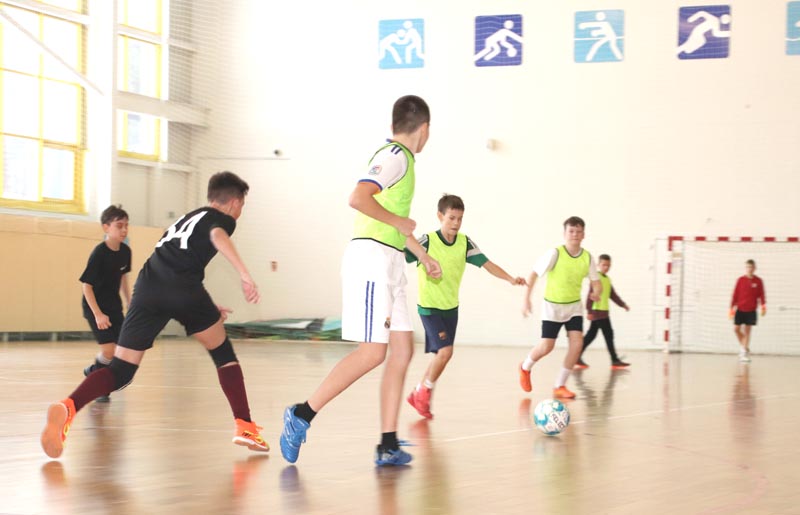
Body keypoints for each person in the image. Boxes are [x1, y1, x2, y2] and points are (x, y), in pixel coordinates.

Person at [41, 171, 268, 458]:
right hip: (183, 287)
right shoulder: (222, 220)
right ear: (234, 202)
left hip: (148, 288)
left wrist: (206, 308)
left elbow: (176, 260)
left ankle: (69, 406)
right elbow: (216, 236)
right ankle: (245, 426)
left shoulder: (186, 219)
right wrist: (244, 274)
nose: (240, 212)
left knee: (120, 370)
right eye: (242, 205)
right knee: (223, 353)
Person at [279, 95, 441, 467]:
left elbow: (392, 223)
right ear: (425, 129)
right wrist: (400, 223)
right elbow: (358, 198)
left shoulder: (402, 159)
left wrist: (423, 255)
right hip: (372, 262)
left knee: (402, 350)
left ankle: (388, 444)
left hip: (391, 260)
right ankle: (302, 414)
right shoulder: (395, 156)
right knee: (372, 353)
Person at [406, 194, 526, 419]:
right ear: (440, 216)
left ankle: (417, 393)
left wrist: (510, 278)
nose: (456, 223)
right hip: (430, 308)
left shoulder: (465, 243)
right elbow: (402, 253)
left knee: (442, 355)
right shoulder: (427, 241)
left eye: (460, 218)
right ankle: (425, 392)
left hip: (451, 308)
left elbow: (487, 264)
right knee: (445, 352)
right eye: (451, 218)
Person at [519, 216, 601, 399]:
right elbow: (533, 274)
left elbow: (596, 282)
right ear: (564, 234)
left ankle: (560, 385)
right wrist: (526, 299)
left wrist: (597, 292)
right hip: (552, 307)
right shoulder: (555, 254)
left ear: (583, 235)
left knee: (577, 344)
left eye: (578, 231)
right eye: (571, 231)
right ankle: (525, 367)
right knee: (547, 346)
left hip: (574, 308)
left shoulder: (587, 257)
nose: (575, 234)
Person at [79, 205, 132, 402]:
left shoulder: (126, 251)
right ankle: (100, 387)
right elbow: (87, 286)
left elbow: (123, 278)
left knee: (121, 351)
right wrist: (98, 314)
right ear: (106, 227)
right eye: (119, 225)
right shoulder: (99, 253)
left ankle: (94, 371)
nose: (124, 230)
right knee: (109, 351)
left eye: (126, 225)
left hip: (114, 306)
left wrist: (129, 301)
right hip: (95, 307)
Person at [575, 254, 630, 369]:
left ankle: (576, 357)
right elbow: (590, 295)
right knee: (608, 334)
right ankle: (614, 360)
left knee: (591, 335)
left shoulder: (607, 279)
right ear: (598, 265)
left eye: (608, 265)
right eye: (604, 265)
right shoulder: (596, 278)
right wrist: (589, 311)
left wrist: (623, 304)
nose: (606, 267)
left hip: (604, 312)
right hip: (597, 312)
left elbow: (613, 295)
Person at [729, 259, 766, 362]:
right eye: (748, 267)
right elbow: (735, 294)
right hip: (740, 309)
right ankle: (745, 348)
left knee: (747, 331)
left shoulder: (758, 281)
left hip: (751, 310)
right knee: (736, 329)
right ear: (746, 268)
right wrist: (731, 308)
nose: (749, 269)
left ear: (754, 268)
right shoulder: (740, 280)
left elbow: (762, 294)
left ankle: (743, 353)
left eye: (751, 267)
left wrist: (763, 305)